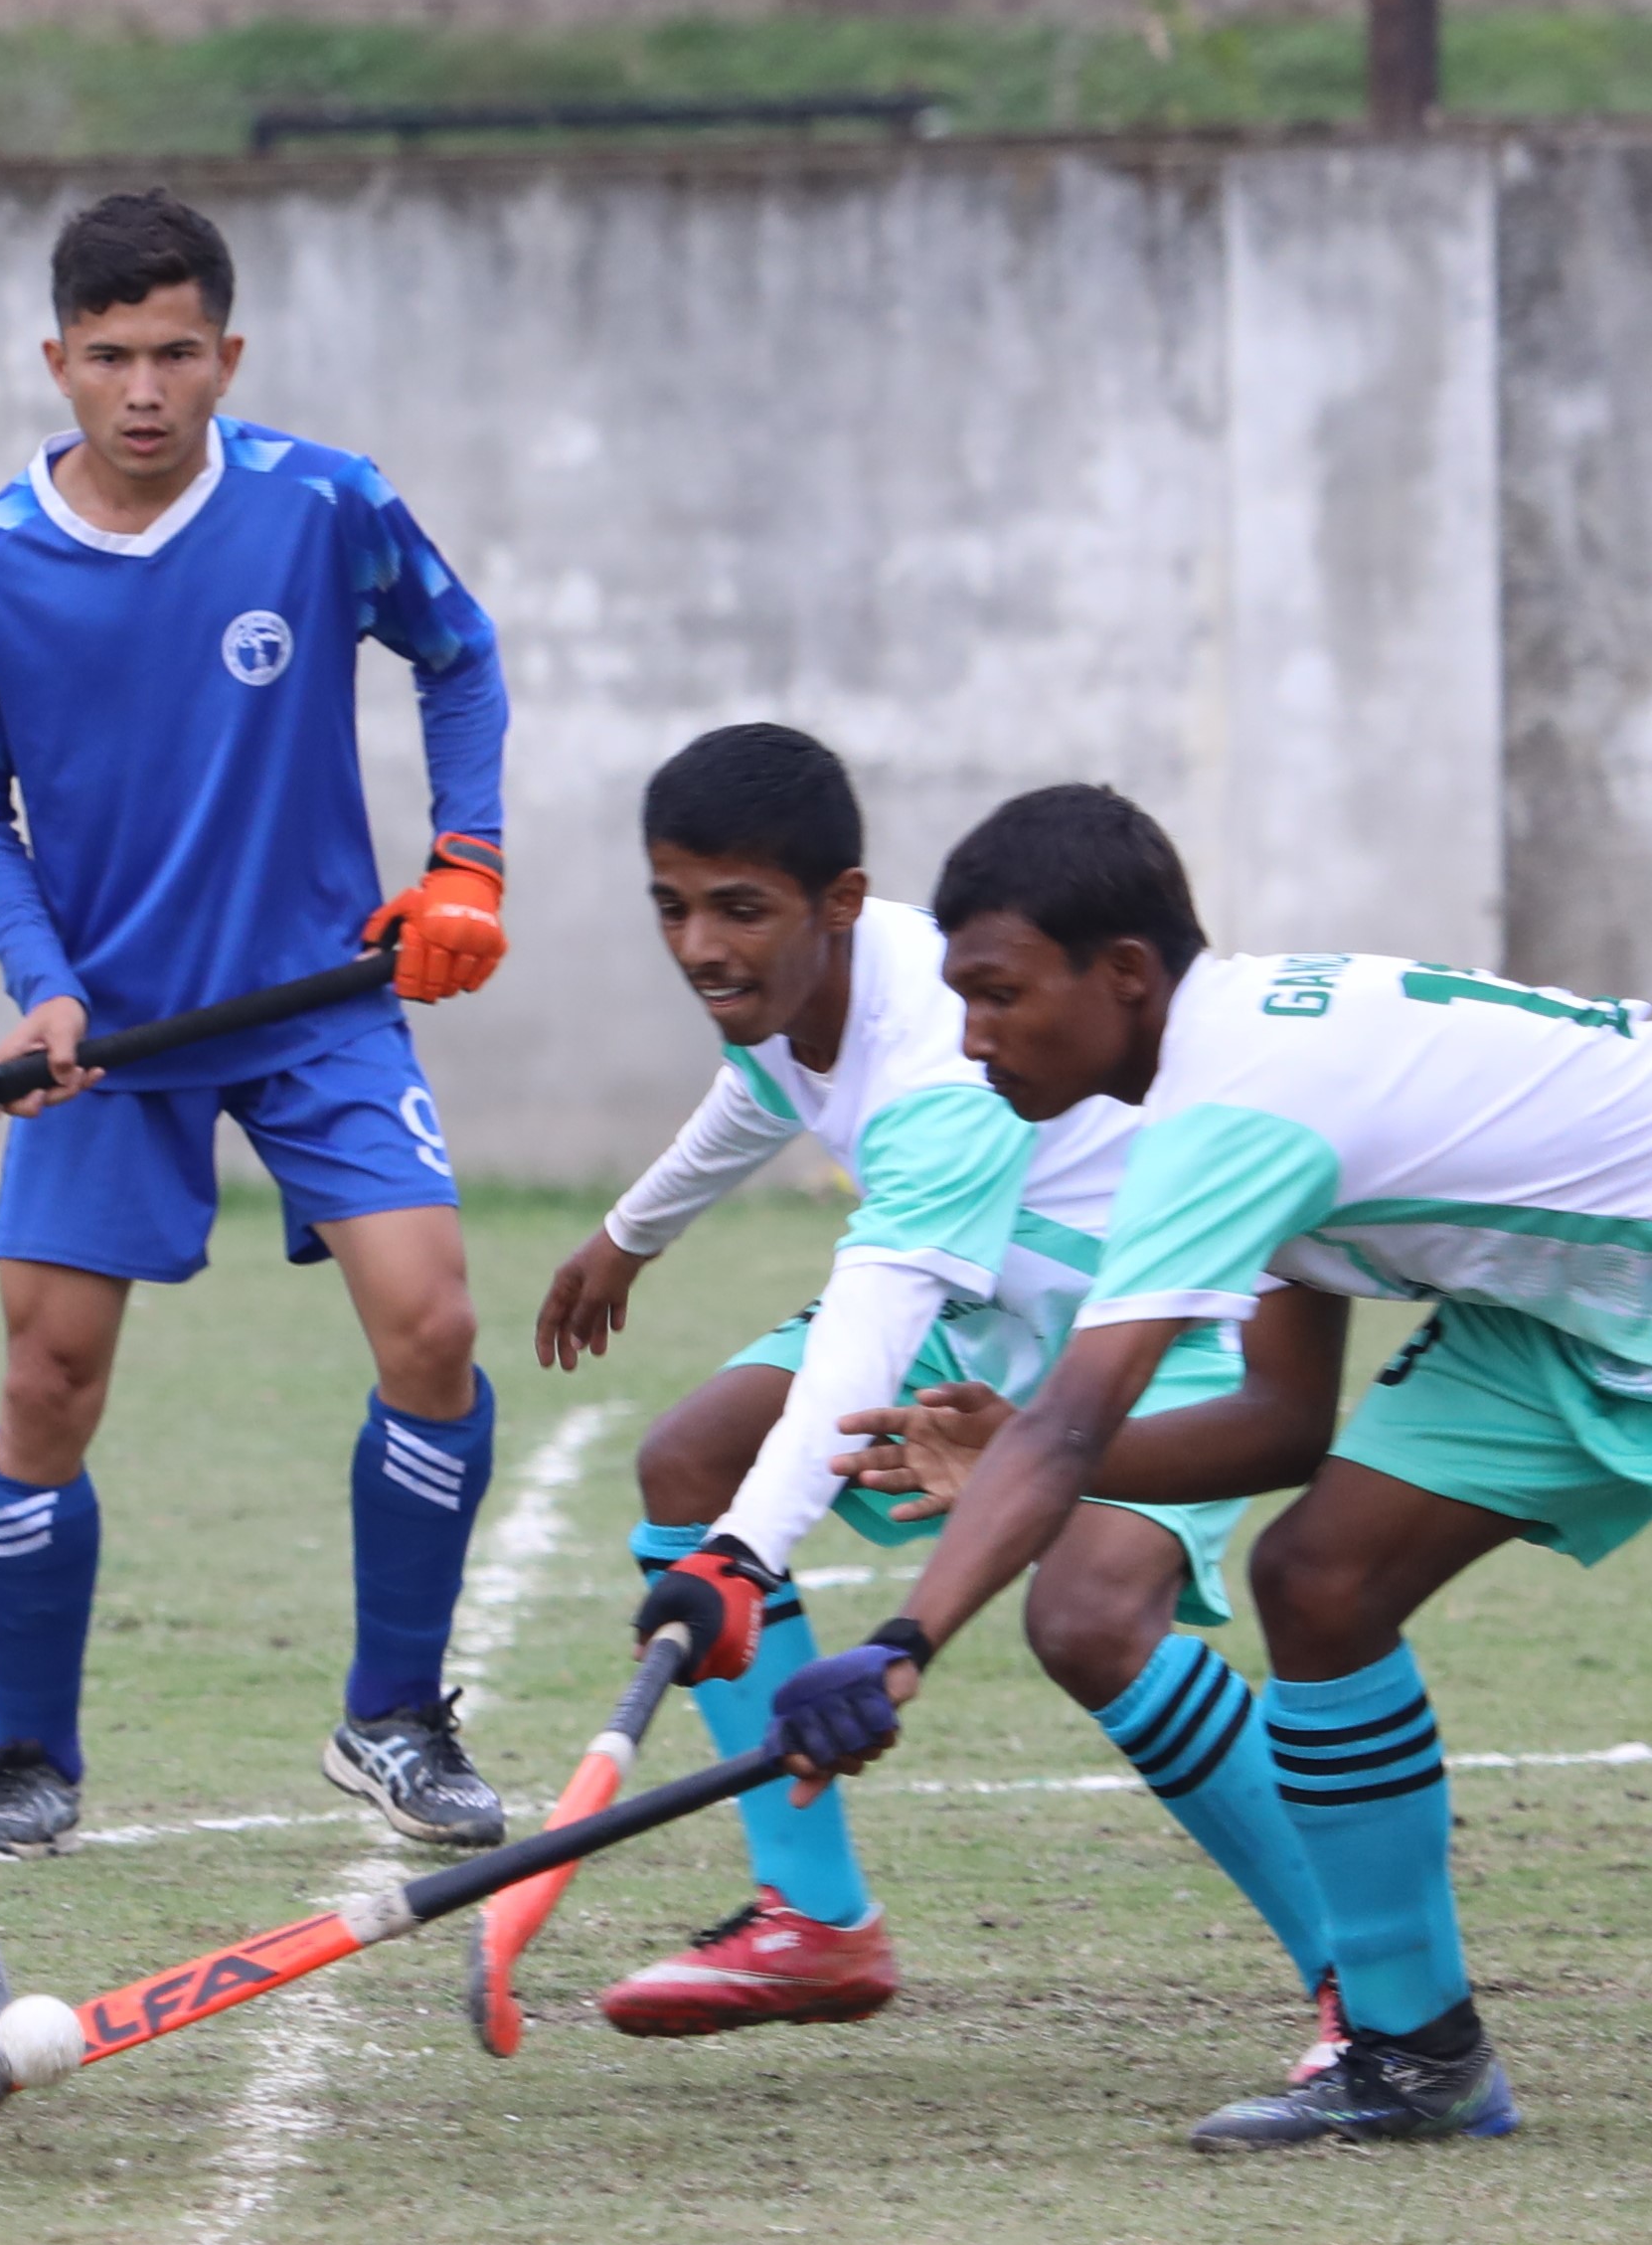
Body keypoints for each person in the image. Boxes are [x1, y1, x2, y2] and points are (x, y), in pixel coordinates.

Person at [770, 780, 1652, 2150]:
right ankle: (1413, 2054)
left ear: (1123, 973)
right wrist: (1034, 1460)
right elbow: (1277, 1422)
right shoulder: (1213, 1072)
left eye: (1000, 995)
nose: (972, 1038)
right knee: (1319, 1578)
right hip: (1571, 1314)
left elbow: (1075, 1420)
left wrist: (901, 1641)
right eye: (959, 999)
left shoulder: (1231, 1110)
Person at [534, 726, 1348, 2063]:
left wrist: (743, 1556)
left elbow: (874, 1317)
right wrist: (631, 1234)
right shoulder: (798, 983)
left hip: (1149, 1309)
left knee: (1089, 1619)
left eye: (737, 910)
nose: (700, 948)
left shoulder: (937, 1068)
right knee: (691, 1458)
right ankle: (813, 1921)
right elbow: (764, 1091)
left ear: (838, 904)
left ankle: (1365, 1978)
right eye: (671, 908)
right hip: (988, 1303)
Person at [0, 189, 517, 1858]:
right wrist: (41, 985)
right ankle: (26, 1758)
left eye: (175, 354)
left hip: (319, 999)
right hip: (106, 1035)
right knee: (47, 1377)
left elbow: (458, 655)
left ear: (227, 356)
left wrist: (463, 862)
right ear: (55, 358)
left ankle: (392, 1718)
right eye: (109, 355)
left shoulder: (319, 504)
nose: (142, 389)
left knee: (431, 1321)